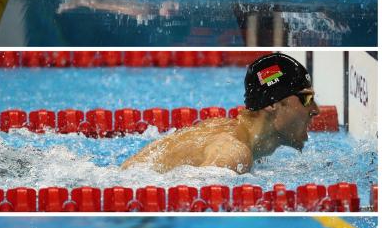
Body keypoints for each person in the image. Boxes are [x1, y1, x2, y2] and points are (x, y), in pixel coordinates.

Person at [121, 53, 320, 174]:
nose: (316, 110)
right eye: (306, 99)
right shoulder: (233, 154)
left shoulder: (232, 130)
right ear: (272, 105)